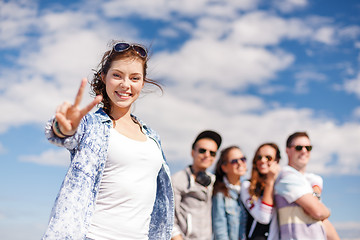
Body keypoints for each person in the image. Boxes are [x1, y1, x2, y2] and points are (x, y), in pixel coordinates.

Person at [42, 41, 174, 240]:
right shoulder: (91, 124)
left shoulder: (153, 138)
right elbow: (63, 134)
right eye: (117, 75)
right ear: (104, 77)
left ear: (142, 82)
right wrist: (63, 128)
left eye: (134, 78)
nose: (125, 84)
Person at [274, 132, 337, 239]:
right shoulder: (287, 176)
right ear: (287, 151)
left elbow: (321, 221)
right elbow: (318, 212)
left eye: (308, 148)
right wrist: (327, 211)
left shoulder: (307, 179)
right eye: (298, 147)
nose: (304, 151)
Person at [171, 130, 222, 240]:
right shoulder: (177, 180)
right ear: (192, 152)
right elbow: (168, 217)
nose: (207, 155)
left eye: (212, 153)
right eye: (202, 150)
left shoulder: (214, 181)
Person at [240, 143, 281, 240]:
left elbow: (313, 179)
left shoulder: (281, 184)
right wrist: (270, 181)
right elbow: (264, 217)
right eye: (259, 157)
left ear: (277, 161)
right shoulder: (247, 186)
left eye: (268, 158)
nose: (262, 160)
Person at [212, 146, 248, 240]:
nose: (240, 163)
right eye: (234, 161)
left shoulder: (249, 190)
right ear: (224, 167)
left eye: (243, 159)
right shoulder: (220, 194)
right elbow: (220, 231)